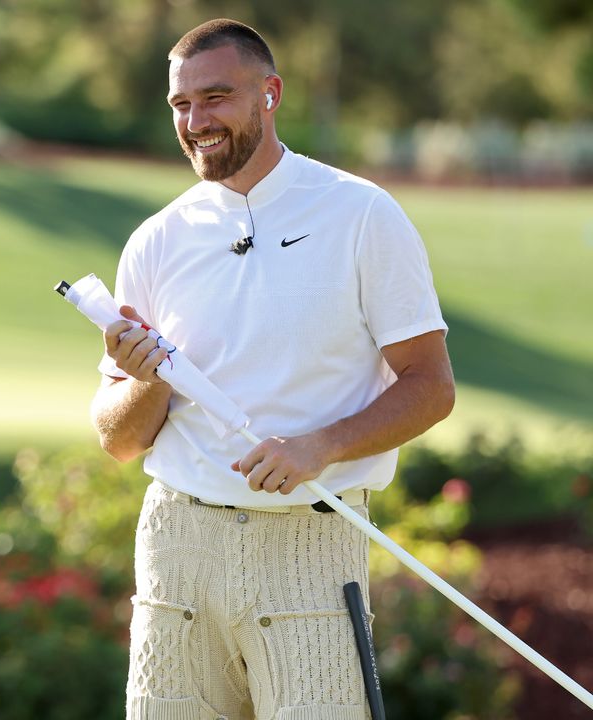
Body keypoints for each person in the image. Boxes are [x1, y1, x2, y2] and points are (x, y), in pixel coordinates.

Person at [91, 19, 454, 720]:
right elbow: (119, 439)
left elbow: (431, 386)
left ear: (270, 94)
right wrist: (147, 379)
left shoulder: (361, 215)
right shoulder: (156, 240)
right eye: (180, 104)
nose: (196, 122)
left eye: (217, 97)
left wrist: (319, 446)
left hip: (312, 544)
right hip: (177, 549)